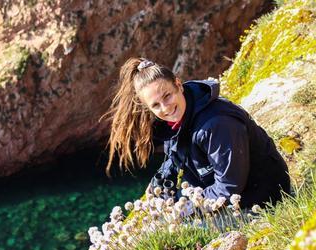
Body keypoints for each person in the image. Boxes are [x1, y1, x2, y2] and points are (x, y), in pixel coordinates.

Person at [103, 57, 291, 208]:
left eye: (167, 96)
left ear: (178, 85)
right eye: (155, 105)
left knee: (177, 238)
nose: (165, 108)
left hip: (264, 199)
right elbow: (176, 159)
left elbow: (229, 188)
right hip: (232, 194)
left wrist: (185, 208)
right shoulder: (178, 121)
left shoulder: (217, 124)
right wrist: (159, 188)